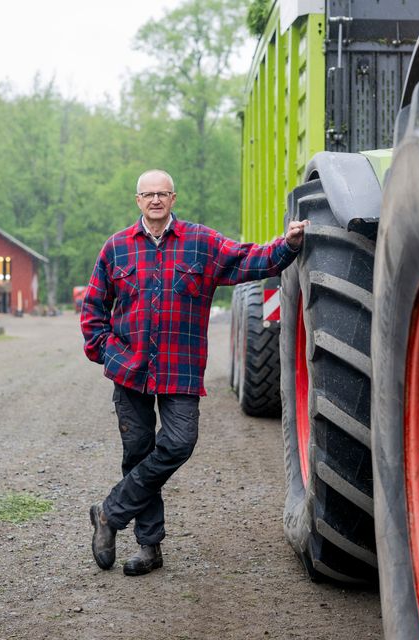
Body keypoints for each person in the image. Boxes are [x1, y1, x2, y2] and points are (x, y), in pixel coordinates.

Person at [80, 169, 308, 576]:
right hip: (129, 370)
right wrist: (107, 355)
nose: (154, 200)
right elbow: (94, 310)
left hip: (179, 370)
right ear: (138, 201)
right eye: (147, 194)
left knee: (180, 442)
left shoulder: (200, 243)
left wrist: (287, 246)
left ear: (173, 199)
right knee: (137, 453)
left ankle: (109, 513)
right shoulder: (115, 248)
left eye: (161, 194)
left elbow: (248, 260)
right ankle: (149, 548)